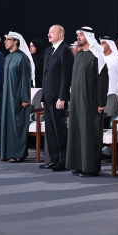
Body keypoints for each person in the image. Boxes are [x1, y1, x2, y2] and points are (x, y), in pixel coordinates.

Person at [66, 27, 109, 177]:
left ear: (89, 37)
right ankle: (78, 164)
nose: (78, 37)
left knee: (89, 134)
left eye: (81, 34)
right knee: (77, 132)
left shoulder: (96, 55)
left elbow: (102, 80)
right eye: (78, 34)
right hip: (77, 101)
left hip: (90, 101)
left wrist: (101, 102)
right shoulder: (78, 55)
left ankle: (90, 168)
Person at [40, 25, 73, 171]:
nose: (49, 34)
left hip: (58, 98)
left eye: (52, 32)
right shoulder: (48, 50)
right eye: (48, 32)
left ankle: (63, 160)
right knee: (50, 129)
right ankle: (53, 158)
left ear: (61, 35)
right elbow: (45, 76)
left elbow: (66, 76)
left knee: (60, 129)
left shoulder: (65, 50)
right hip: (48, 97)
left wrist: (62, 97)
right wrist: (42, 96)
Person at [0, 32, 33, 163]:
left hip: (18, 97)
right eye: (5, 39)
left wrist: (25, 98)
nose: (5, 42)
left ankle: (18, 153)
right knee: (8, 124)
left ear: (16, 42)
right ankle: (8, 153)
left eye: (8, 39)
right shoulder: (8, 57)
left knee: (17, 125)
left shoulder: (22, 58)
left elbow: (25, 79)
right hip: (8, 96)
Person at [100, 36, 118, 118]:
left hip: (113, 97)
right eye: (100, 43)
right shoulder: (98, 59)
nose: (101, 45)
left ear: (110, 45)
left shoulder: (117, 60)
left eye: (103, 43)